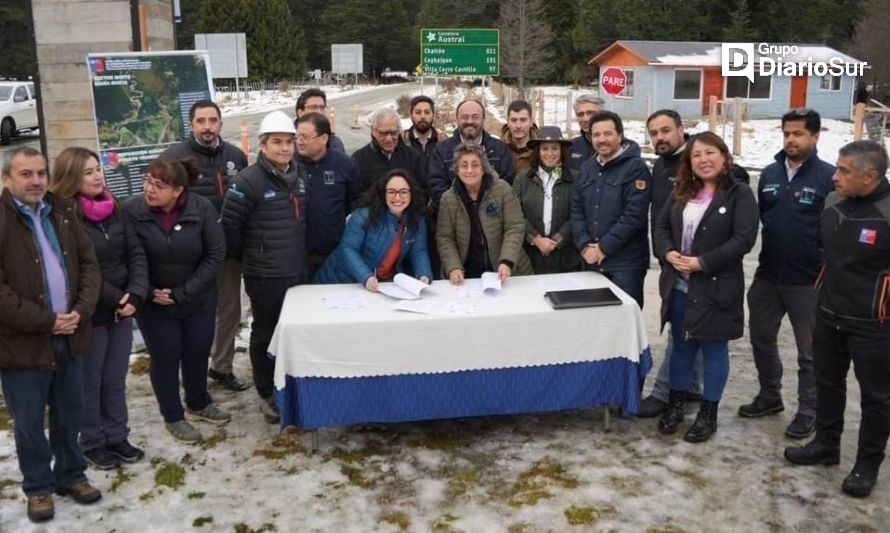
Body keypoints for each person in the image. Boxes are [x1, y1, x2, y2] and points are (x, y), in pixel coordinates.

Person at [0, 146, 102, 523]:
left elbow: (89, 263)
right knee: (29, 422)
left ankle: (71, 475)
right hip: (22, 344)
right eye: (26, 174)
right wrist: (47, 321)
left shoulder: (62, 211)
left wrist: (81, 310)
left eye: (41, 173)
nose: (36, 181)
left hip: (70, 333)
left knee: (70, 413)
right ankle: (38, 488)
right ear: (6, 178)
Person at [785, 141, 890, 498]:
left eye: (844, 170)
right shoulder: (832, 202)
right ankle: (827, 445)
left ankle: (867, 463)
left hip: (875, 324)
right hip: (829, 313)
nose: (835, 176)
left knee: (877, 397)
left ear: (870, 176)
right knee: (827, 382)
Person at [653, 132, 758, 443]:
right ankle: (675, 405)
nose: (704, 160)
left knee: (713, 350)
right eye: (697, 155)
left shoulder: (738, 194)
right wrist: (668, 252)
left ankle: (708, 413)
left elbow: (744, 240)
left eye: (710, 153)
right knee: (681, 348)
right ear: (690, 162)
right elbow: (659, 226)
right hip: (681, 287)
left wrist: (703, 263)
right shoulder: (682, 191)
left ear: (723, 157)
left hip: (716, 288)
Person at [48, 147, 148, 470]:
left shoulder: (114, 207)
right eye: (88, 172)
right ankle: (92, 441)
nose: (97, 176)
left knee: (115, 377)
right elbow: (77, 269)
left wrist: (135, 293)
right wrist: (116, 297)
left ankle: (118, 435)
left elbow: (135, 251)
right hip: (92, 313)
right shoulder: (62, 216)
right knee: (91, 381)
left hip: (123, 309)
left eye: (97, 169)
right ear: (70, 177)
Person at [738, 108, 836, 439]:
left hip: (808, 282)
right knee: (761, 339)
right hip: (768, 275)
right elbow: (767, 218)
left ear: (815, 136)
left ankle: (809, 410)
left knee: (810, 353)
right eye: (786, 133)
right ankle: (770, 396)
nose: (791, 139)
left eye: (798, 134)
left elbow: (836, 230)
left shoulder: (829, 178)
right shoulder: (769, 174)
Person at [126, 157, 229, 444]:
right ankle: (173, 415)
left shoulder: (201, 208)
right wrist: (147, 290)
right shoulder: (133, 211)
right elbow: (131, 256)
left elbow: (215, 254)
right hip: (154, 302)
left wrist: (184, 292)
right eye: (148, 181)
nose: (149, 189)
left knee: (197, 351)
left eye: (159, 185)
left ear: (178, 191)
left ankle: (198, 401)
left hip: (197, 297)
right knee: (166, 357)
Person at [222, 110, 307, 424]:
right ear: (263, 145)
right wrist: (252, 258)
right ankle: (265, 391)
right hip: (264, 273)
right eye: (277, 142)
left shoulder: (298, 176)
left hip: (295, 268)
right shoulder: (248, 181)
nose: (284, 148)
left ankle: (290, 382)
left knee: (291, 331)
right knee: (265, 332)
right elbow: (230, 228)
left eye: (288, 142)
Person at [161, 100, 249, 392]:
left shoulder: (236, 156)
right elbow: (161, 203)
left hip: (227, 250)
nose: (207, 127)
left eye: (213, 121)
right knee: (193, 310)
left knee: (229, 309)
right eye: (201, 121)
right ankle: (189, 370)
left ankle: (220, 366)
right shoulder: (175, 157)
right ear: (192, 124)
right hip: (189, 253)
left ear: (221, 124)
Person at [570, 110, 651, 308]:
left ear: (620, 136)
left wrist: (604, 248)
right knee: (596, 323)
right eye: (596, 135)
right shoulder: (588, 168)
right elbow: (576, 209)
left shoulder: (636, 168)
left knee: (624, 325)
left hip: (626, 265)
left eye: (607, 134)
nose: (602, 139)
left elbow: (634, 215)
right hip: (592, 261)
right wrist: (584, 245)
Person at [314, 170, 433, 287]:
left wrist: (424, 275)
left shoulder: (417, 219)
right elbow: (348, 248)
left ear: (411, 194)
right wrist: (366, 277)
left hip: (382, 283)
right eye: (391, 192)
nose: (398, 197)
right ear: (383, 193)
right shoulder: (363, 215)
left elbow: (419, 252)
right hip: (340, 281)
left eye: (404, 192)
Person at [437, 143, 532, 284]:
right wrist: (453, 267)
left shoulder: (502, 189)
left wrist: (507, 261)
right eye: (464, 166)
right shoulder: (448, 198)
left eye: (475, 165)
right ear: (457, 170)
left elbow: (515, 227)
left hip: (506, 270)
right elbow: (445, 238)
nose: (469, 170)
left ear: (483, 168)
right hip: (467, 276)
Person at [295, 112, 363, 280]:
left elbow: (353, 203)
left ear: (324, 138)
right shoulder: (290, 164)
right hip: (297, 254)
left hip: (333, 252)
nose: (299, 141)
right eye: (297, 136)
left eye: (305, 136)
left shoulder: (345, 165)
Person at [512, 126, 580, 274]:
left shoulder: (575, 178)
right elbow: (515, 214)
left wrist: (557, 240)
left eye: (555, 148)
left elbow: (578, 213)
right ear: (538, 151)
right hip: (530, 254)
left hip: (564, 255)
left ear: (562, 151)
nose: (550, 153)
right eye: (545, 149)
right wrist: (535, 239)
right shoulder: (523, 179)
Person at [428, 99, 516, 200]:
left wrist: (485, 207)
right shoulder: (441, 151)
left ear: (483, 119)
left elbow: (508, 184)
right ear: (456, 119)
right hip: (453, 213)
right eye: (464, 117)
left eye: (475, 117)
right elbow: (437, 187)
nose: (470, 121)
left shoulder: (499, 149)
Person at [352, 107, 427, 194]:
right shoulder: (358, 160)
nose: (389, 138)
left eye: (393, 133)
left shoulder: (413, 157)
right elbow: (354, 196)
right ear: (373, 132)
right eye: (383, 133)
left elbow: (423, 191)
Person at [295, 87, 346, 153]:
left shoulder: (335, 143)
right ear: (300, 113)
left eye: (322, 108)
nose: (319, 112)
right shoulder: (289, 143)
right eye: (313, 107)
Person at [402, 95, 441, 169]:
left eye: (427, 112)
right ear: (411, 115)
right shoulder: (401, 142)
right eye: (418, 112)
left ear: (433, 115)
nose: (423, 116)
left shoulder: (442, 142)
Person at [501, 100, 539, 174]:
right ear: (508, 122)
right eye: (514, 120)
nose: (518, 125)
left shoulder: (541, 151)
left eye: (523, 120)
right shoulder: (499, 151)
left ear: (531, 122)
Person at [568, 94, 604, 171]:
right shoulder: (570, 147)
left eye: (590, 113)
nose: (585, 119)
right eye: (580, 114)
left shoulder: (619, 147)